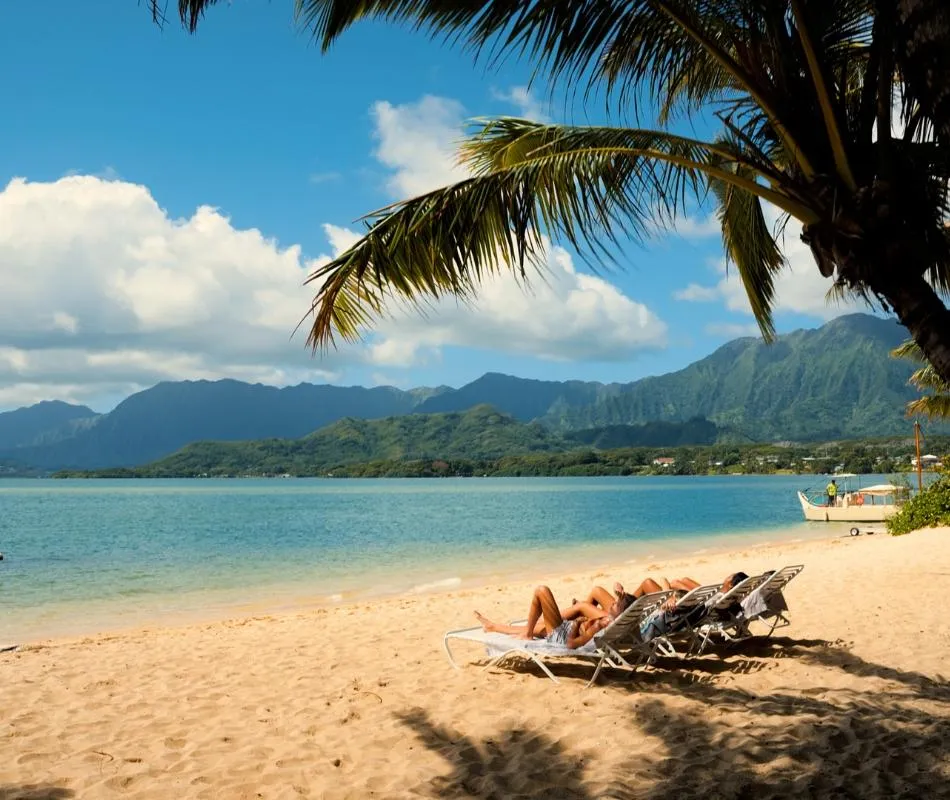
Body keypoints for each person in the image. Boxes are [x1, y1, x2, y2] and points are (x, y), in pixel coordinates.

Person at [474, 584, 636, 650]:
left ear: (620, 613)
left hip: (562, 636)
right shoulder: (616, 622)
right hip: (564, 631)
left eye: (614, 605)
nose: (610, 605)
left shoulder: (601, 624)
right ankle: (493, 627)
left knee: (541, 591)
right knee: (539, 627)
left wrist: (574, 625)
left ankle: (527, 634)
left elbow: (572, 645)